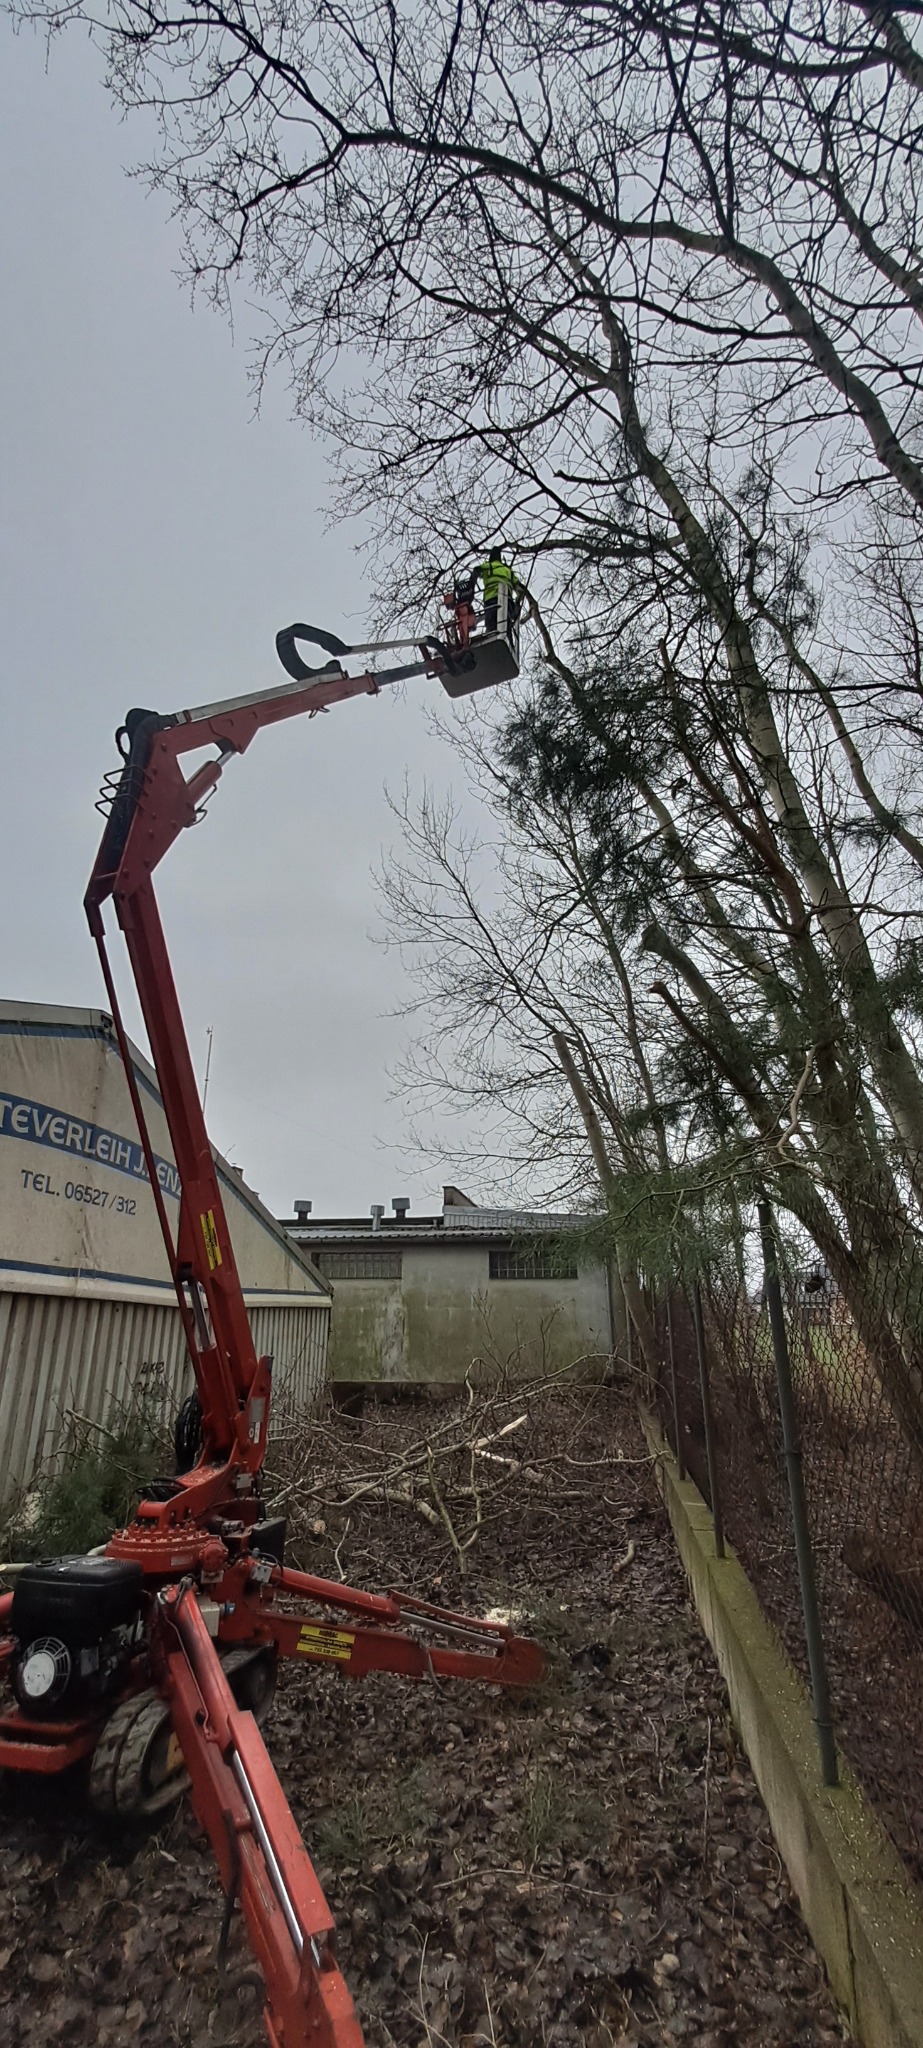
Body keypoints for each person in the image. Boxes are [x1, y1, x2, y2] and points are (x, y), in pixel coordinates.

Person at [477, 550, 521, 634]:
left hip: (491, 602)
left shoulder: (488, 566)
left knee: (491, 629)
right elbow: (520, 590)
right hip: (507, 603)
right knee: (506, 628)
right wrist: (517, 603)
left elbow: (476, 571)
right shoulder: (508, 571)